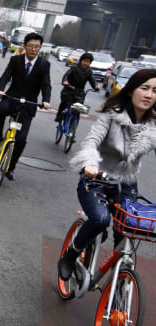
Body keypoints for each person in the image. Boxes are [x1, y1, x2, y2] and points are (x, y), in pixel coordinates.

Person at [58, 68, 156, 280]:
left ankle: (119, 280)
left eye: (155, 91)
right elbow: (92, 140)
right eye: (145, 88)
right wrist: (90, 163)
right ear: (131, 90)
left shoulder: (153, 125)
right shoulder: (111, 115)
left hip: (126, 183)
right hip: (97, 178)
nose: (149, 95)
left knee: (128, 232)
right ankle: (71, 254)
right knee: (101, 219)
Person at [0, 33, 51, 180]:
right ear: (24, 46)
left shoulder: (44, 64)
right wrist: (0, 90)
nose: (33, 49)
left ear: (40, 48)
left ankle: (11, 168)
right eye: (31, 46)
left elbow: (46, 84)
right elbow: (5, 76)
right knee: (0, 111)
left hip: (28, 105)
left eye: (37, 47)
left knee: (21, 139)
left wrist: (46, 100)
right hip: (12, 98)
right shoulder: (15, 60)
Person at [55, 52, 100, 123]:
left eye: (88, 62)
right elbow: (66, 75)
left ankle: (73, 127)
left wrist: (96, 86)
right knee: (64, 103)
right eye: (84, 61)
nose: (86, 63)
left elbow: (92, 79)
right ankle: (59, 116)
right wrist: (65, 81)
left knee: (78, 109)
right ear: (81, 60)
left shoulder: (89, 71)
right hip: (69, 89)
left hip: (80, 92)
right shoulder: (74, 68)